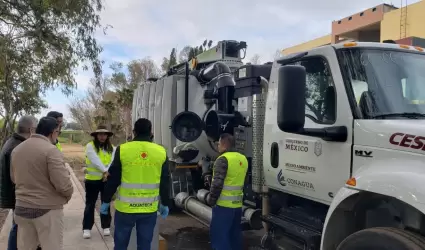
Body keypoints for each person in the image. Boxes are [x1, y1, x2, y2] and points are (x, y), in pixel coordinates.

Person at [100, 118, 171, 250]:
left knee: (120, 245)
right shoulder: (161, 151)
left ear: (134, 132)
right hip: (149, 209)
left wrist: (105, 201)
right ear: (151, 132)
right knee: (144, 246)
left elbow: (113, 178)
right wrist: (165, 203)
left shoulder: (123, 149)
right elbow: (165, 180)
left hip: (125, 210)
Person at [11, 116, 74, 250]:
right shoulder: (51, 150)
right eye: (59, 132)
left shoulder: (17, 149)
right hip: (47, 210)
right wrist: (67, 196)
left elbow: (14, 178)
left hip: (21, 208)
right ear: (53, 132)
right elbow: (63, 185)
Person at [0, 116, 37, 250]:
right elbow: (18, 176)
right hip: (16, 195)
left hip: (14, 194)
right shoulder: (17, 147)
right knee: (17, 227)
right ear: (31, 129)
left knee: (18, 226)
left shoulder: (13, 142)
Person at [206, 133, 248, 250]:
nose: (218, 147)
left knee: (219, 238)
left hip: (223, 207)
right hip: (237, 206)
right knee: (234, 237)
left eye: (219, 144)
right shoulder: (243, 158)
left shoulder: (223, 159)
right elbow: (244, 181)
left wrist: (211, 200)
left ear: (224, 145)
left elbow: (217, 184)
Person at [82, 125, 115, 239]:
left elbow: (112, 161)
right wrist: (106, 171)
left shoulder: (112, 148)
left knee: (105, 203)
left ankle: (106, 226)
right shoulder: (90, 146)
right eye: (100, 134)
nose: (102, 136)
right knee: (90, 204)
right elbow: (94, 160)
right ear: (96, 135)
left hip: (106, 180)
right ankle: (87, 228)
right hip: (92, 180)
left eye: (104, 134)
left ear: (107, 136)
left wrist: (107, 172)